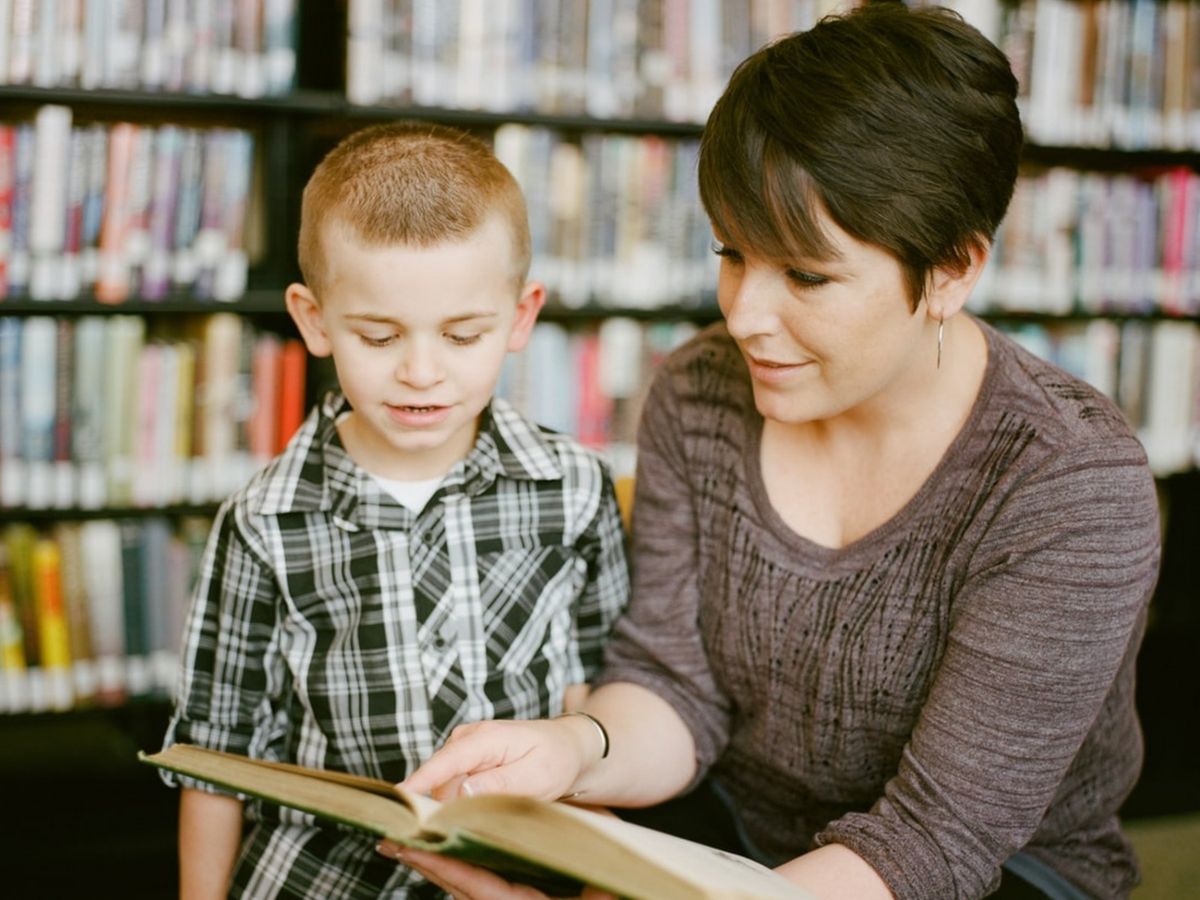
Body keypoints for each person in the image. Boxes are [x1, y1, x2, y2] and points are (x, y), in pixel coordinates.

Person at [385, 5, 1161, 900]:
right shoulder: (699, 391)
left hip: (994, 873)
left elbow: (936, 842)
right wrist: (572, 749)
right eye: (732, 253)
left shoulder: (1069, 482)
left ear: (951, 270)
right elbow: (674, 687)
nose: (744, 315)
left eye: (806, 275)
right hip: (732, 833)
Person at [161, 121, 630, 899]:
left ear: (520, 317)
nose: (420, 371)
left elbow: (598, 694)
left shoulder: (574, 488)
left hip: (518, 875)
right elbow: (214, 754)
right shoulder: (264, 521)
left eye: (462, 335)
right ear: (314, 320)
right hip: (321, 878)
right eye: (379, 337)